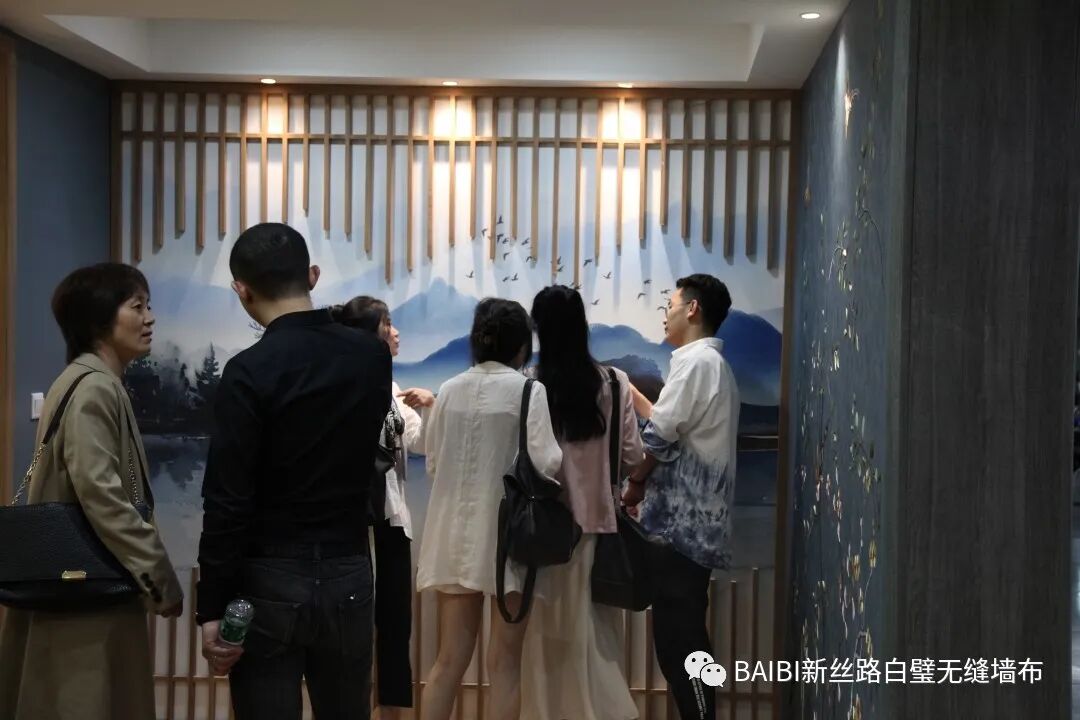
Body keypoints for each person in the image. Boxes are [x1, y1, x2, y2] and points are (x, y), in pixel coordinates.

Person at [195, 223, 392, 720]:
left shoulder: (247, 371)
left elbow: (227, 501)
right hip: (349, 568)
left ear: (242, 290)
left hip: (267, 579)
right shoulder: (370, 356)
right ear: (312, 275)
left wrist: (212, 607)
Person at [0, 263, 184, 720]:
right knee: (87, 699)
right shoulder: (96, 388)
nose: (149, 318)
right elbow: (102, 495)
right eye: (136, 306)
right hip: (88, 598)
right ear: (98, 318)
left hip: (74, 587)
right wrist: (158, 576)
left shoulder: (82, 381)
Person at [416, 298, 562, 720]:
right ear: (522, 345)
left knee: (447, 662)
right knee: (505, 665)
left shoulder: (449, 389)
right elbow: (547, 464)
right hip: (510, 540)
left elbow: (434, 463)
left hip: (452, 538)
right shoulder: (529, 391)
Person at [520, 285, 643, 720]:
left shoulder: (530, 384)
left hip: (545, 528)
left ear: (539, 329)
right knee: (598, 636)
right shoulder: (615, 382)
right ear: (582, 327)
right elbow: (633, 456)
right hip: (599, 524)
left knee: (544, 635)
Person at [622, 273, 740, 720]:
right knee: (683, 641)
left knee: (681, 646)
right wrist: (633, 393)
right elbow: (671, 423)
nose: (665, 314)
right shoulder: (709, 365)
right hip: (694, 531)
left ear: (692, 309)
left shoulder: (695, 363)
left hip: (681, 532)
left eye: (669, 305)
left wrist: (635, 483)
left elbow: (659, 438)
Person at [330, 295, 435, 720]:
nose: (395, 332)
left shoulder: (391, 388)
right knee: (349, 624)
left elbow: (418, 442)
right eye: (386, 324)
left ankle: (390, 710)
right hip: (347, 519)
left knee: (395, 621)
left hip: (391, 515)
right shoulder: (335, 383)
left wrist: (429, 406)